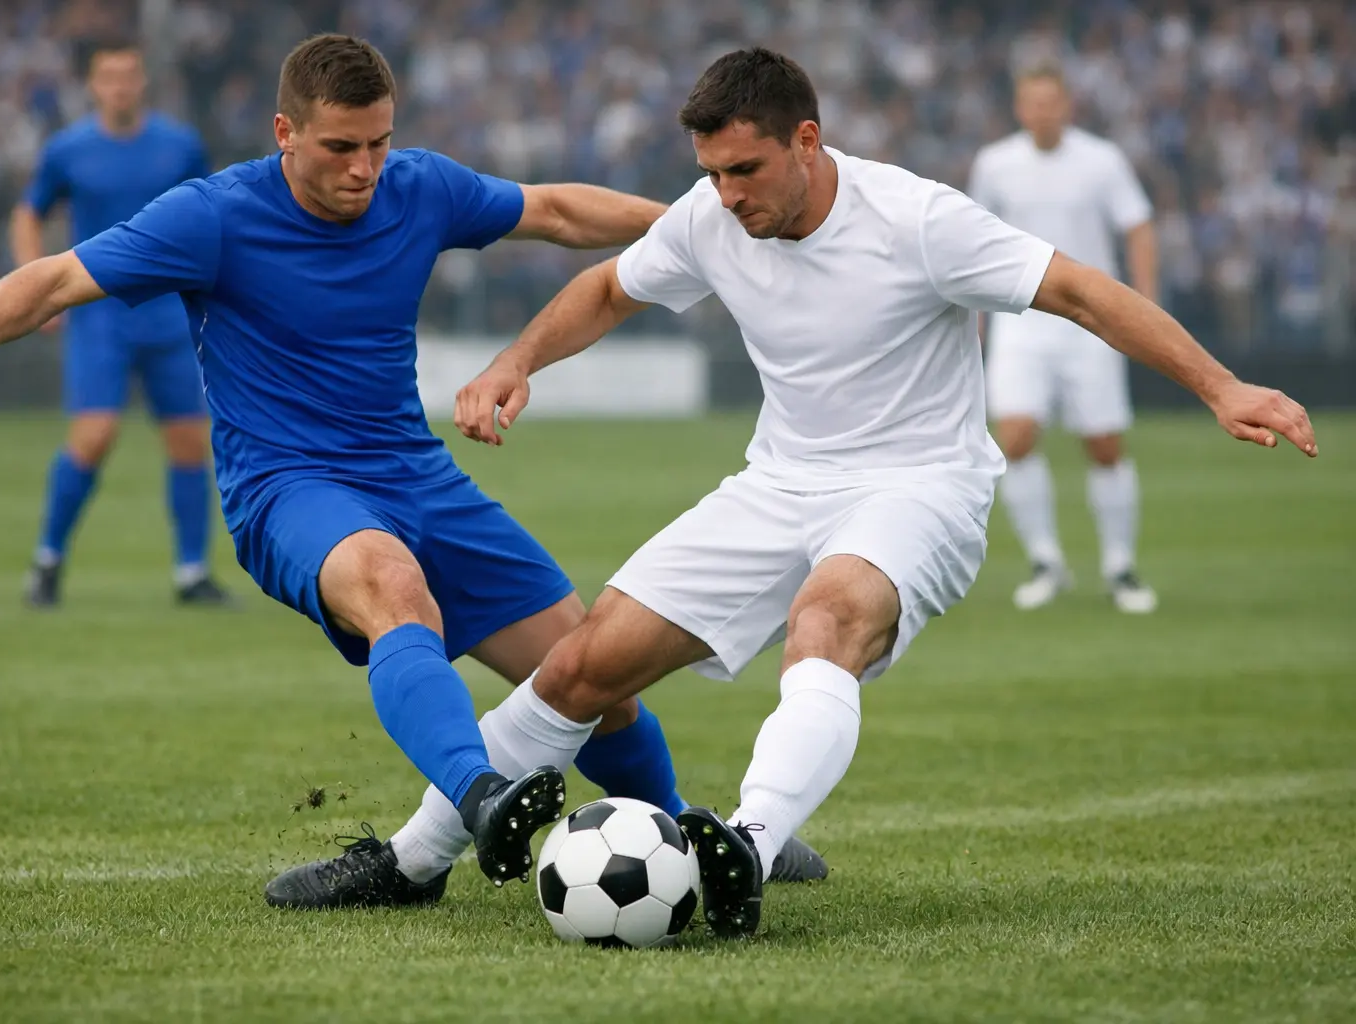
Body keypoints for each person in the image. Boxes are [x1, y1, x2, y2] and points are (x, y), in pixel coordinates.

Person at [0, 34, 830, 905]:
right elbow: (58, 278)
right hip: (287, 489)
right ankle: (481, 800)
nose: (364, 168)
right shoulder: (212, 216)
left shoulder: (418, 186)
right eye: (339, 148)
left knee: (593, 666)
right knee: (390, 585)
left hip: (416, 474)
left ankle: (683, 838)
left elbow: (553, 210)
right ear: (286, 132)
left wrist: (695, 222)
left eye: (377, 143)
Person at [443, 47, 1317, 939]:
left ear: (808, 141)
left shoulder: (917, 218)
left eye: (746, 169)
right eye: (711, 173)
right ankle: (410, 857)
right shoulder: (710, 216)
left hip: (920, 485)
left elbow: (1081, 292)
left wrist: (1220, 386)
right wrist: (516, 362)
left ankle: (746, 841)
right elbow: (604, 289)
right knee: (586, 662)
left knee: (825, 624)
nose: (728, 193)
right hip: (779, 481)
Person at [12, 37, 231, 607]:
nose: (120, 86)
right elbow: (28, 212)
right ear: (93, 84)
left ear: (143, 81)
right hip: (99, 315)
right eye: (109, 76)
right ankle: (47, 561)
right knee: (94, 435)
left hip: (170, 315)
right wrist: (38, 286)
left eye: (129, 75)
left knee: (188, 441)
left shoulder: (179, 146)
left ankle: (191, 574)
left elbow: (211, 212)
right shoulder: (68, 149)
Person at [968, 64, 1161, 614]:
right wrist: (976, 315)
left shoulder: (1101, 160)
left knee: (1103, 444)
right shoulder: (995, 163)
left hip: (1090, 321)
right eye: (1032, 102)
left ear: (1066, 105)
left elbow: (1137, 224)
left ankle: (1120, 565)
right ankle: (1045, 560)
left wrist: (1143, 298)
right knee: (1017, 437)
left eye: (1051, 102)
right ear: (1019, 108)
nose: (1042, 112)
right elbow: (975, 240)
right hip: (1022, 320)